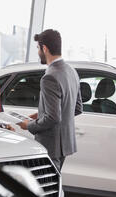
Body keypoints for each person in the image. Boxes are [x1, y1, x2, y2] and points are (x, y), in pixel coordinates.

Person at [18, 29, 82, 171]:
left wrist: (29, 125)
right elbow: (77, 108)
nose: (38, 52)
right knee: (53, 184)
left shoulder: (50, 77)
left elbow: (53, 117)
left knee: (47, 189)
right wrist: (38, 116)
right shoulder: (72, 71)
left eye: (38, 48)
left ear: (44, 48)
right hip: (65, 143)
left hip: (51, 144)